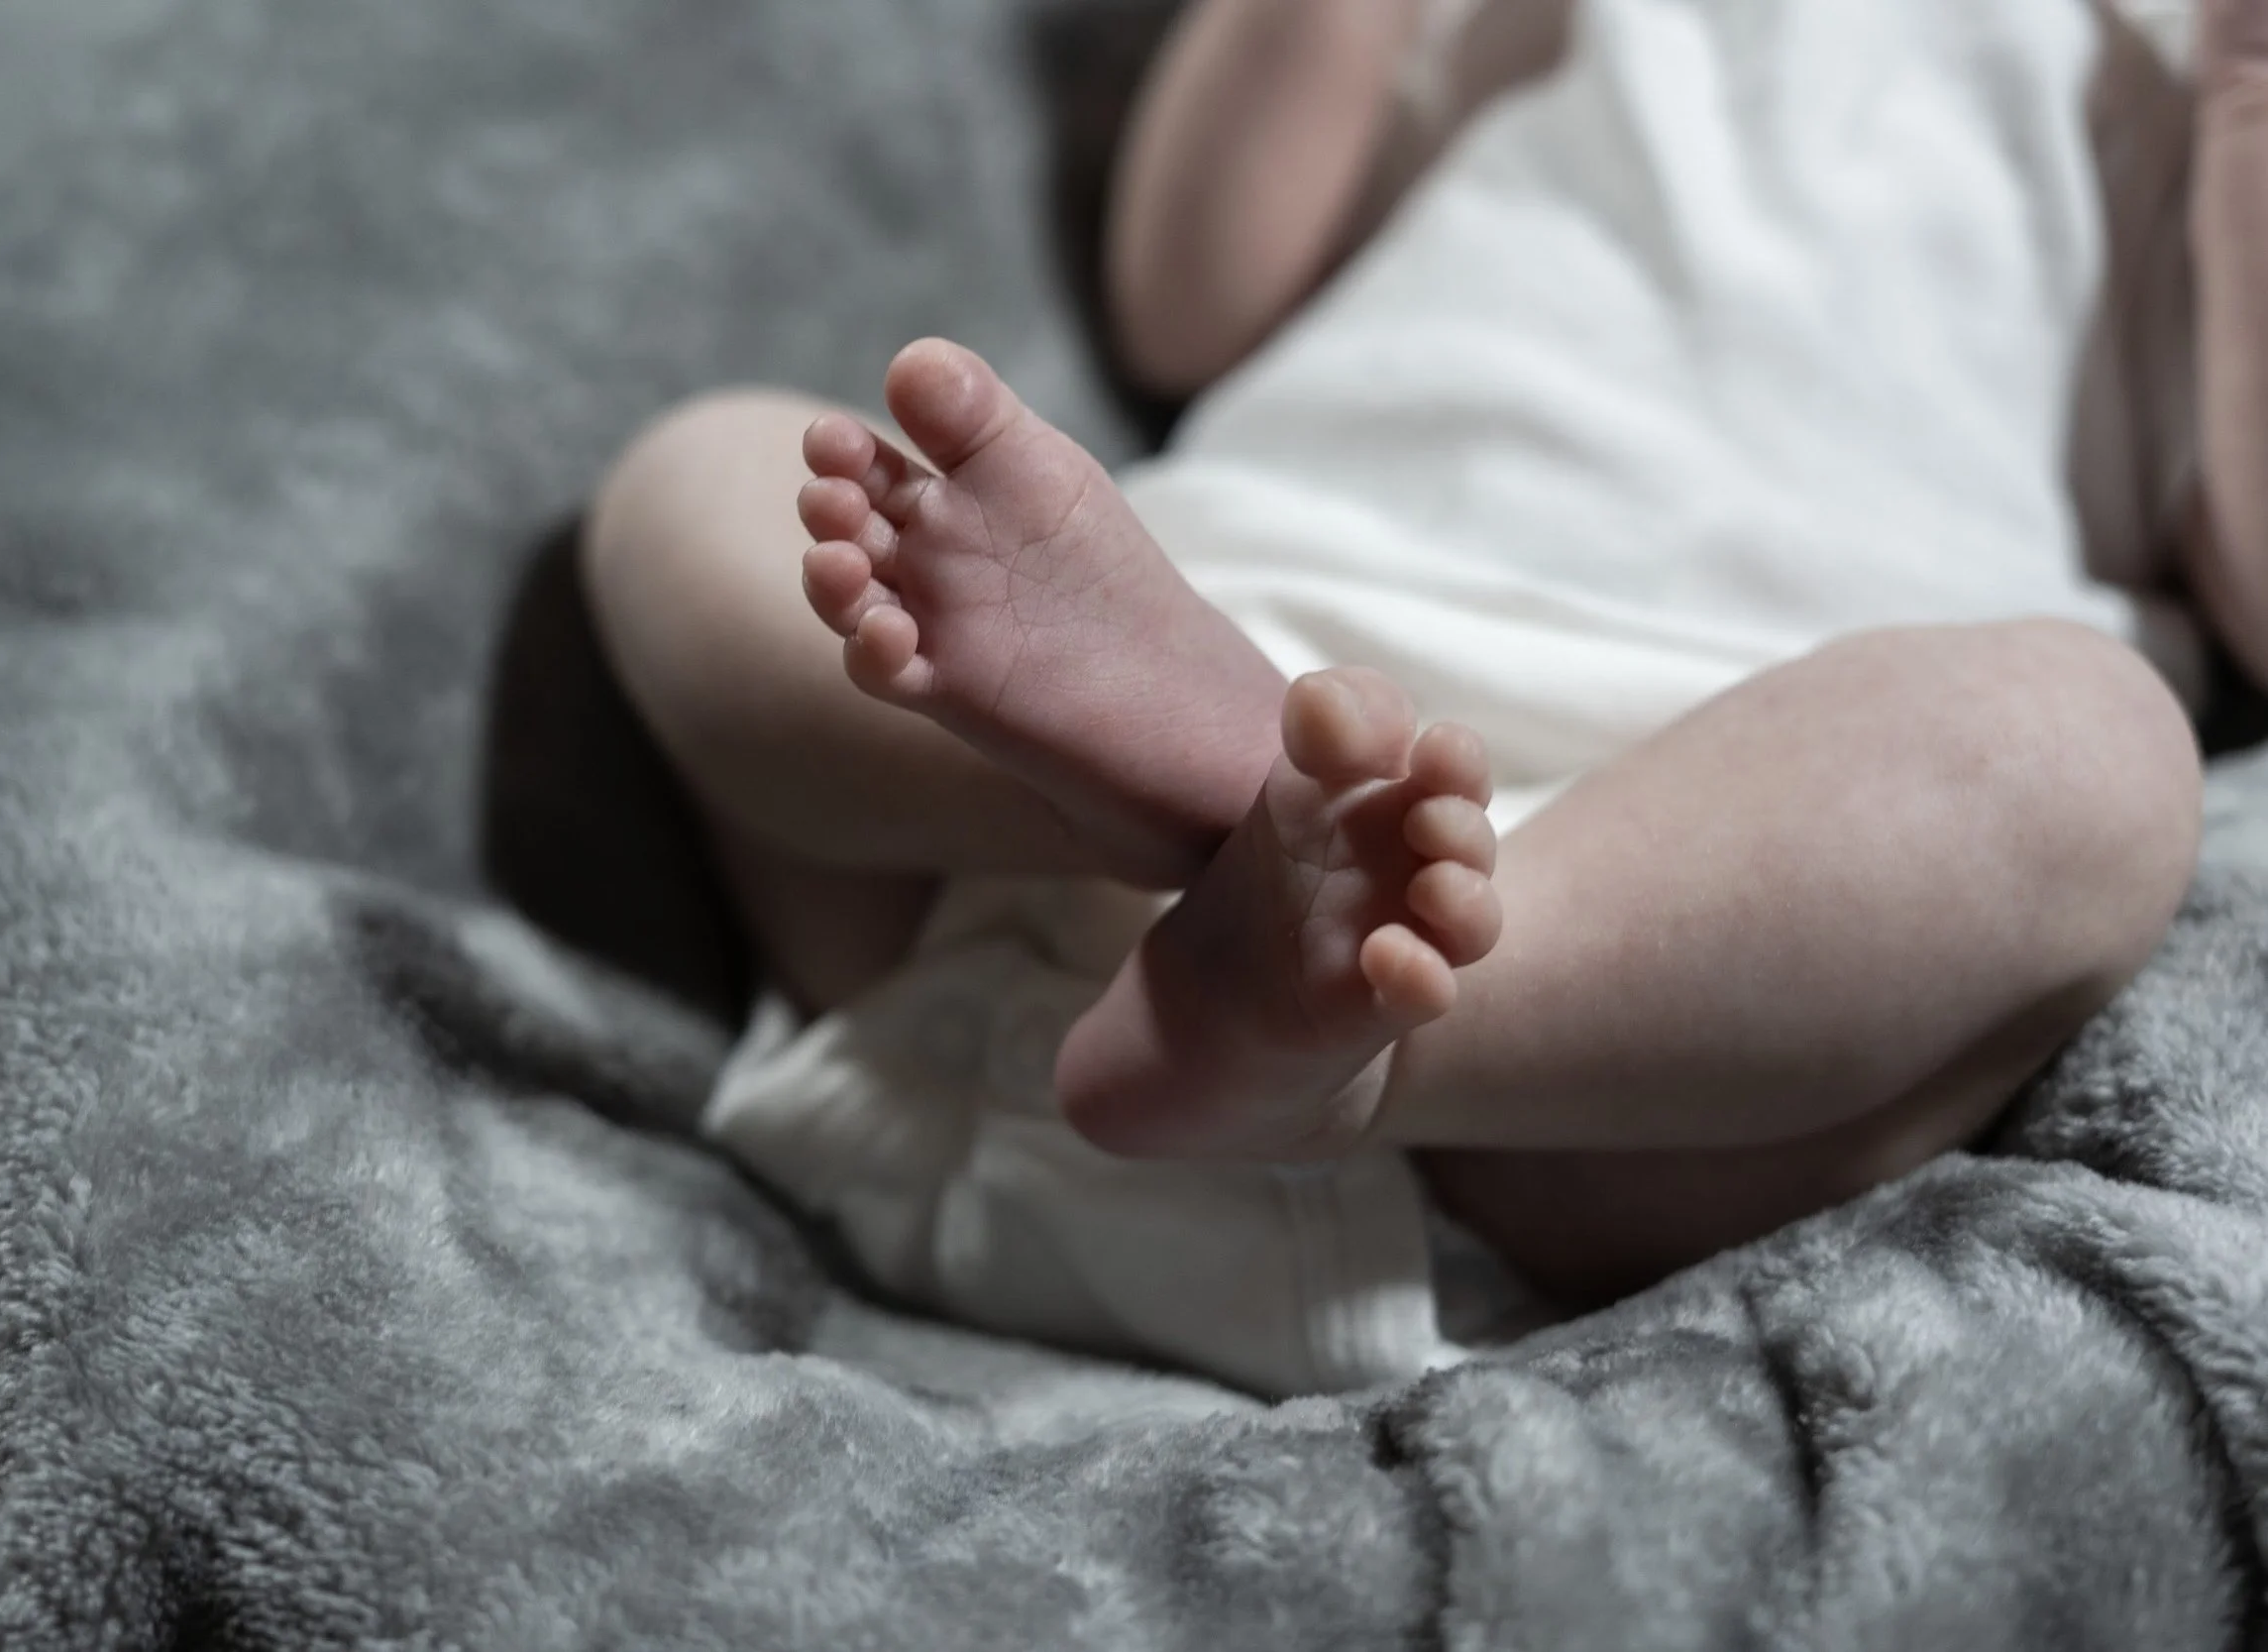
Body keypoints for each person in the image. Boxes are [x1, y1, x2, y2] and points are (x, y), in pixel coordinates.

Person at [580, 0, 2262, 1387]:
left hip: (1615, 928)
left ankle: (1354, 1026)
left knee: (2090, 755)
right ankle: (1139, 796)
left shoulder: (2181, 97)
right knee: (695, 479)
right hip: (1199, 665)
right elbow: (1192, 289)